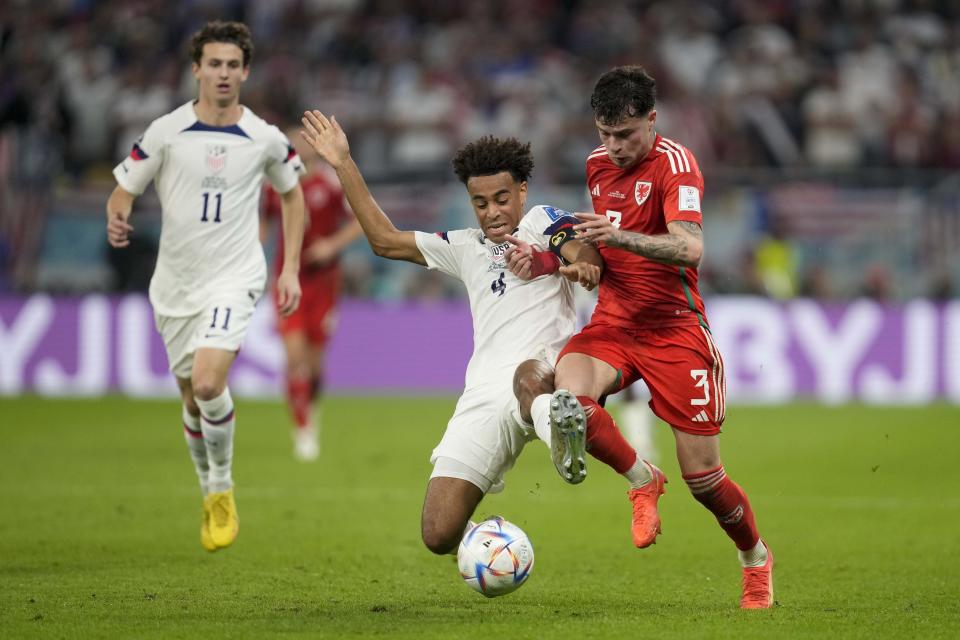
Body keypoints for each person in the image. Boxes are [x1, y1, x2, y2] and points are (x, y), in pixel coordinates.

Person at [299, 109, 619, 555]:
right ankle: (496, 542)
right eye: (481, 203)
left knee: (529, 376)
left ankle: (565, 437)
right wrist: (343, 164)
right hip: (483, 395)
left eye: (502, 198)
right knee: (438, 534)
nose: (492, 212)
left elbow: (582, 250)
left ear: (523, 190)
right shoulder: (463, 247)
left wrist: (582, 266)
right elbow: (384, 240)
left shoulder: (542, 221)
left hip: (545, 374)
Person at [538, 65, 772, 608]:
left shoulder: (677, 165)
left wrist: (616, 235)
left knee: (705, 481)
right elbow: (600, 245)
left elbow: (689, 248)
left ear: (652, 120)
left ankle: (755, 558)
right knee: (567, 403)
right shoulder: (597, 165)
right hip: (616, 322)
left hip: (675, 330)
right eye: (604, 134)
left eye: (626, 134)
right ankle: (642, 479)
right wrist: (580, 261)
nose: (614, 147)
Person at [105, 21, 306, 552]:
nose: (223, 73)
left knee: (211, 384)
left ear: (246, 71)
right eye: (213, 64)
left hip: (235, 277)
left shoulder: (265, 137)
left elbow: (292, 195)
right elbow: (123, 188)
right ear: (196, 69)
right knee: (193, 401)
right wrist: (118, 215)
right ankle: (206, 485)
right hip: (175, 285)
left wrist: (288, 269)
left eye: (232, 65)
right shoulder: (166, 131)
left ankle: (221, 489)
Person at [261, 128, 362, 462]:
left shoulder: (330, 185)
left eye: (304, 141)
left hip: (324, 283)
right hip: (288, 280)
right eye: (293, 142)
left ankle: (310, 408)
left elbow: (360, 221)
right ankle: (303, 429)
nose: (299, 147)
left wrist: (331, 245)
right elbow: (262, 229)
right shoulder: (274, 186)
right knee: (295, 359)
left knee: (316, 366)